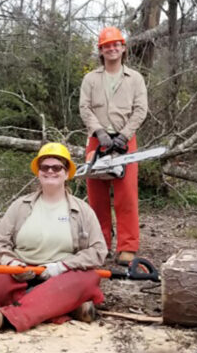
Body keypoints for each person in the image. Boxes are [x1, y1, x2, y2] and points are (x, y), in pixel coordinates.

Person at [0, 143, 108, 332]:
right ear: (38, 172)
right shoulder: (20, 206)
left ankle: (10, 318)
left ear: (67, 174)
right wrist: (11, 263)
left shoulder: (83, 211)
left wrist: (62, 267)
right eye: (45, 167)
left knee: (88, 279)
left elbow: (98, 251)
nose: (50, 171)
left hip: (63, 277)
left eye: (57, 167)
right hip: (22, 277)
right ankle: (68, 307)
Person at [78, 26, 148, 266]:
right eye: (107, 45)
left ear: (123, 48)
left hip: (125, 140)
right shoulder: (91, 79)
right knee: (96, 196)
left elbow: (141, 110)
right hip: (97, 140)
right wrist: (98, 131)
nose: (112, 48)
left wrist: (124, 136)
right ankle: (100, 244)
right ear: (101, 50)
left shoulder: (135, 79)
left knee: (126, 196)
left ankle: (128, 247)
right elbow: (84, 108)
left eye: (115, 44)